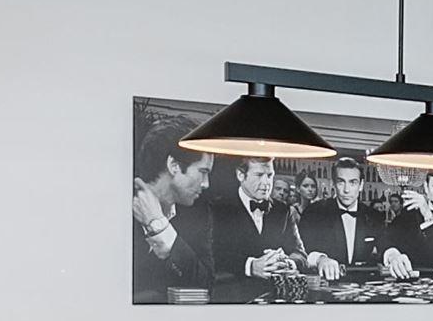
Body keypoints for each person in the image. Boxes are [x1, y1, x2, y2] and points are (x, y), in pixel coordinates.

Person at [130, 118, 214, 301]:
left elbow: (205, 285)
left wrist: (160, 227)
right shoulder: (118, 204)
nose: (206, 184)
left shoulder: (199, 213)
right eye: (203, 172)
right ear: (174, 166)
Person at [205, 155, 301, 301]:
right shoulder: (217, 208)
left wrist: (288, 262)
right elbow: (210, 253)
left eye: (270, 176)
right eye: (259, 175)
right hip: (233, 300)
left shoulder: (283, 210)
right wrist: (250, 266)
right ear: (240, 175)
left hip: (275, 301)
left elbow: (299, 253)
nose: (266, 183)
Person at [299, 155, 387, 277]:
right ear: (333, 184)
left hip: (362, 283)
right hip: (325, 282)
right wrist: (320, 259)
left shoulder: (373, 215)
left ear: (361, 185)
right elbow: (303, 249)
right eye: (341, 182)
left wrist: (393, 254)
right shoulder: (314, 212)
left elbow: (385, 244)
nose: (346, 190)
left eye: (353, 182)